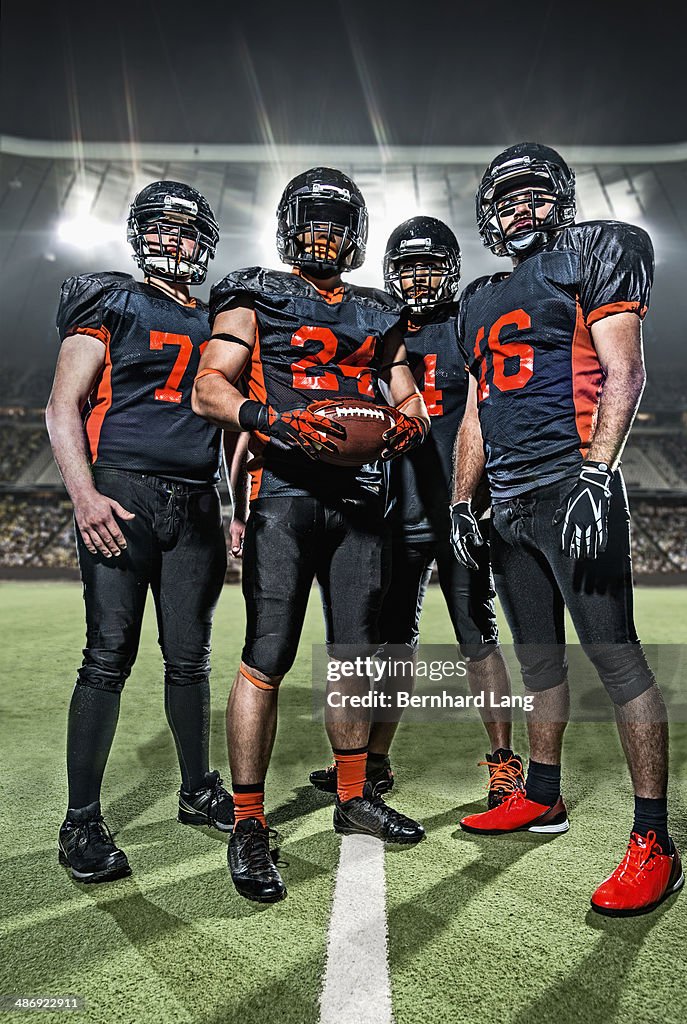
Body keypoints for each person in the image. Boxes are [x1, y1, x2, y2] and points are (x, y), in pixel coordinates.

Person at [451, 143, 683, 916]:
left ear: (561, 200)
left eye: (533, 196)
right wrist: (462, 501)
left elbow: (626, 370)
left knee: (617, 661)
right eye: (506, 199)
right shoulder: (479, 298)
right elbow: (479, 408)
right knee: (540, 662)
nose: (520, 209)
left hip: (571, 486)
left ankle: (655, 841)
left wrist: (596, 473)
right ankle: (541, 795)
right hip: (510, 503)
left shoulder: (595, 253)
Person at [193, 167, 430, 904]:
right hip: (286, 494)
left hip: (361, 500)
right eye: (313, 220)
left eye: (336, 221)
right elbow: (210, 388)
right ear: (290, 226)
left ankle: (354, 795)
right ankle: (249, 820)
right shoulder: (254, 292)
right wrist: (274, 422)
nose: (323, 234)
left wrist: (406, 424)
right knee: (267, 655)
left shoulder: (378, 309)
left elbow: (409, 397)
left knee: (354, 657)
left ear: (355, 232)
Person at [46, 181, 233, 884]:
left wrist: (239, 502)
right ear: (139, 236)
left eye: (183, 230)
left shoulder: (221, 317)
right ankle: (81, 822)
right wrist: (85, 494)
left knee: (190, 658)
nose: (169, 241)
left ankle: (196, 789)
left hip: (195, 503)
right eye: (156, 229)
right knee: (107, 656)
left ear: (204, 241)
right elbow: (63, 407)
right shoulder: (112, 300)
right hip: (121, 491)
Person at [309, 216, 523, 807]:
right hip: (391, 513)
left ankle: (503, 765)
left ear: (452, 270)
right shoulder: (376, 327)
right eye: (407, 267)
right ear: (388, 272)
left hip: (460, 511)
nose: (419, 278)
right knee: (390, 646)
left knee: (477, 640)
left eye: (430, 266)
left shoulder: (467, 325)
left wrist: (480, 499)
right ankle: (373, 762)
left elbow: (493, 413)